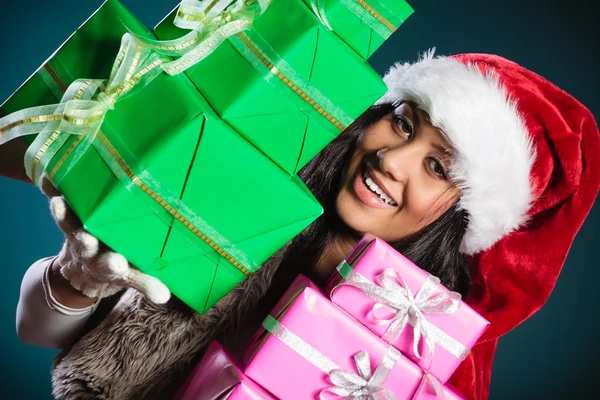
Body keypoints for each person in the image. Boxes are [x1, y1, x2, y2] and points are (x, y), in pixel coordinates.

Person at [14, 51, 600, 400]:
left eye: (436, 166)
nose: (390, 161)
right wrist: (76, 280)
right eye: (402, 123)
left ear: (467, 214)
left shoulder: (423, 346)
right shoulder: (251, 202)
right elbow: (39, 333)